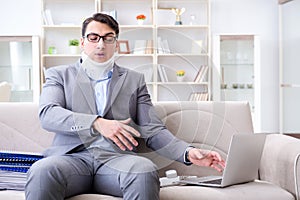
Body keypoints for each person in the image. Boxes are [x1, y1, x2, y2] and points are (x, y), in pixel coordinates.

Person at [25, 13, 225, 200]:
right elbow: (48, 114)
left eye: (108, 38)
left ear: (116, 44)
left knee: (144, 170)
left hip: (116, 161)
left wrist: (188, 152)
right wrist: (97, 123)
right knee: (42, 171)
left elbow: (153, 130)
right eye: (93, 37)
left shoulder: (134, 80)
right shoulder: (59, 75)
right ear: (83, 43)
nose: (100, 44)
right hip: (72, 159)